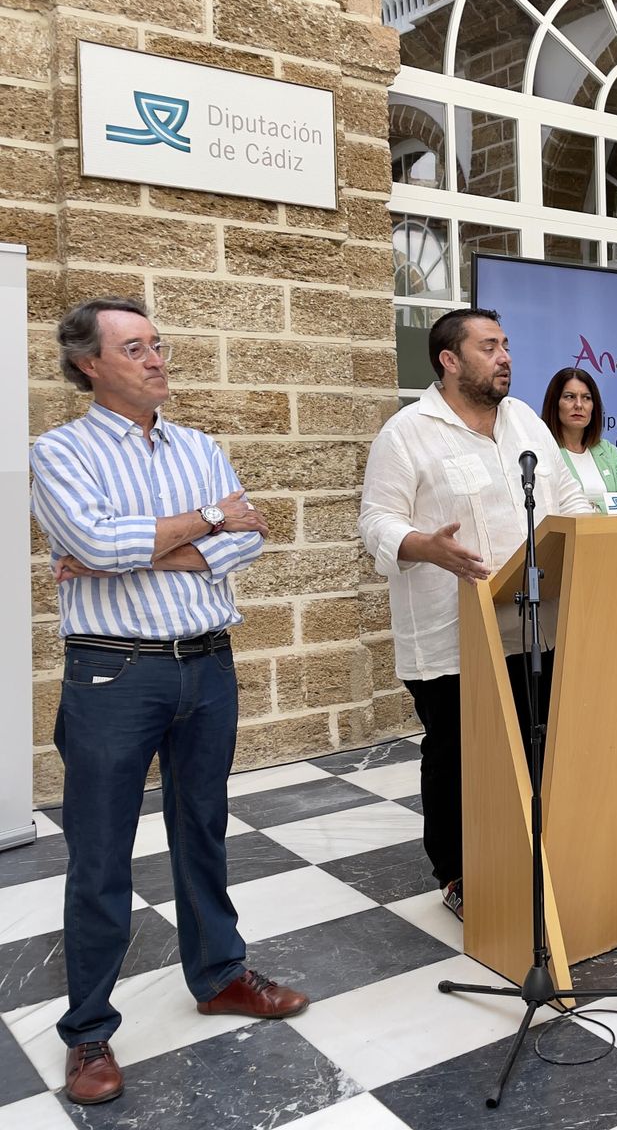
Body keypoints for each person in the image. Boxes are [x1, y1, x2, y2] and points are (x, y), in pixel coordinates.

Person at [30, 297, 309, 1107]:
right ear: (89, 363)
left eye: (159, 343)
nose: (158, 358)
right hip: (114, 675)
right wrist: (206, 523)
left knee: (204, 831)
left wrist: (158, 548)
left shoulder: (200, 444)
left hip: (206, 666)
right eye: (137, 347)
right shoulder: (59, 450)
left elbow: (250, 538)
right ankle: (88, 1033)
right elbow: (93, 542)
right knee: (100, 854)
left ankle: (219, 975)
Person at [358, 308, 589, 920]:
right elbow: (376, 520)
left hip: (535, 624)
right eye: (490, 346)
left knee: (535, 745)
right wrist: (423, 546)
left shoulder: (526, 424)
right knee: (460, 753)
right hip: (451, 629)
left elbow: (567, 500)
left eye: (506, 344)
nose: (505, 355)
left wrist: (594, 537)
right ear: (450, 360)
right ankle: (458, 871)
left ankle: (531, 853)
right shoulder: (408, 432)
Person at [539, 366, 617, 511]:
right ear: (555, 403)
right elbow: (551, 508)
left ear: (594, 406)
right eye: (569, 397)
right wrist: (607, 508)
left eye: (586, 398)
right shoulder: (544, 451)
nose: (579, 405)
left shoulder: (608, 450)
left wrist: (595, 508)